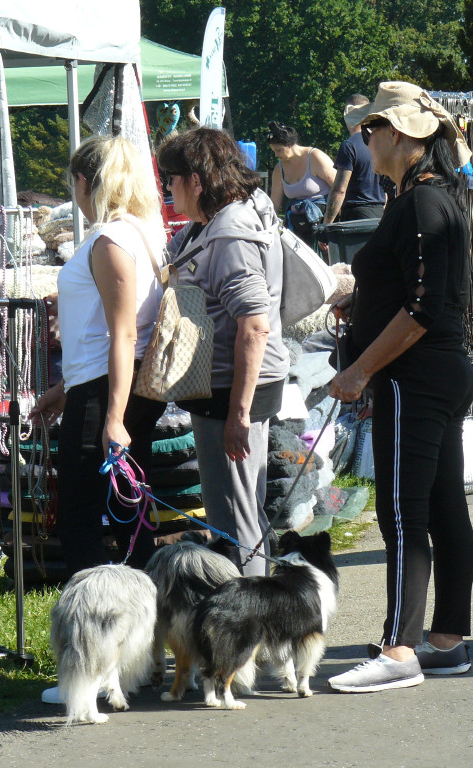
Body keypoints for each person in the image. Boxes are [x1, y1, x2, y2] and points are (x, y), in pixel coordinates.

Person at [325, 82, 473, 693]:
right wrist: (357, 304)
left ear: (403, 136)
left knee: (402, 510)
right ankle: (446, 640)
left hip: (413, 375)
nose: (364, 139)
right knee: (440, 507)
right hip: (437, 371)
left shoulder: (420, 203)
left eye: (371, 129)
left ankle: (399, 648)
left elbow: (421, 309)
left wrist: (361, 368)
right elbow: (417, 298)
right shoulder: (431, 197)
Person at [28, 135, 167, 575]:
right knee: (128, 507)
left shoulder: (110, 239)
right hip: (108, 387)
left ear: (83, 183)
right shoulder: (141, 234)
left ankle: (98, 620)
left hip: (108, 393)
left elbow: (123, 333)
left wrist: (113, 416)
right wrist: (64, 390)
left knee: (82, 514)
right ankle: (144, 619)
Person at [157, 127, 289, 577]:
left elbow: (253, 324)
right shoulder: (238, 212)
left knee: (233, 521)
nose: (166, 187)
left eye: (170, 178)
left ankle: (246, 631)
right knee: (245, 510)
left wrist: (238, 414)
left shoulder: (229, 233)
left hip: (232, 390)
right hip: (238, 385)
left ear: (196, 180)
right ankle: (258, 624)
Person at [322, 93, 387, 225]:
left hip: (355, 216)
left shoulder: (349, 146)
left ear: (347, 115)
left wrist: (326, 224)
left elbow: (339, 190)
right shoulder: (381, 143)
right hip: (379, 214)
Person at [266, 121, 336, 242]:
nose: (276, 155)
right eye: (273, 151)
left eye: (278, 150)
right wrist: (266, 226)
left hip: (322, 222)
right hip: (296, 227)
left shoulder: (315, 157)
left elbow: (339, 188)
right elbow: (274, 204)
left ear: (289, 145)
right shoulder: (279, 169)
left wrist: (328, 225)